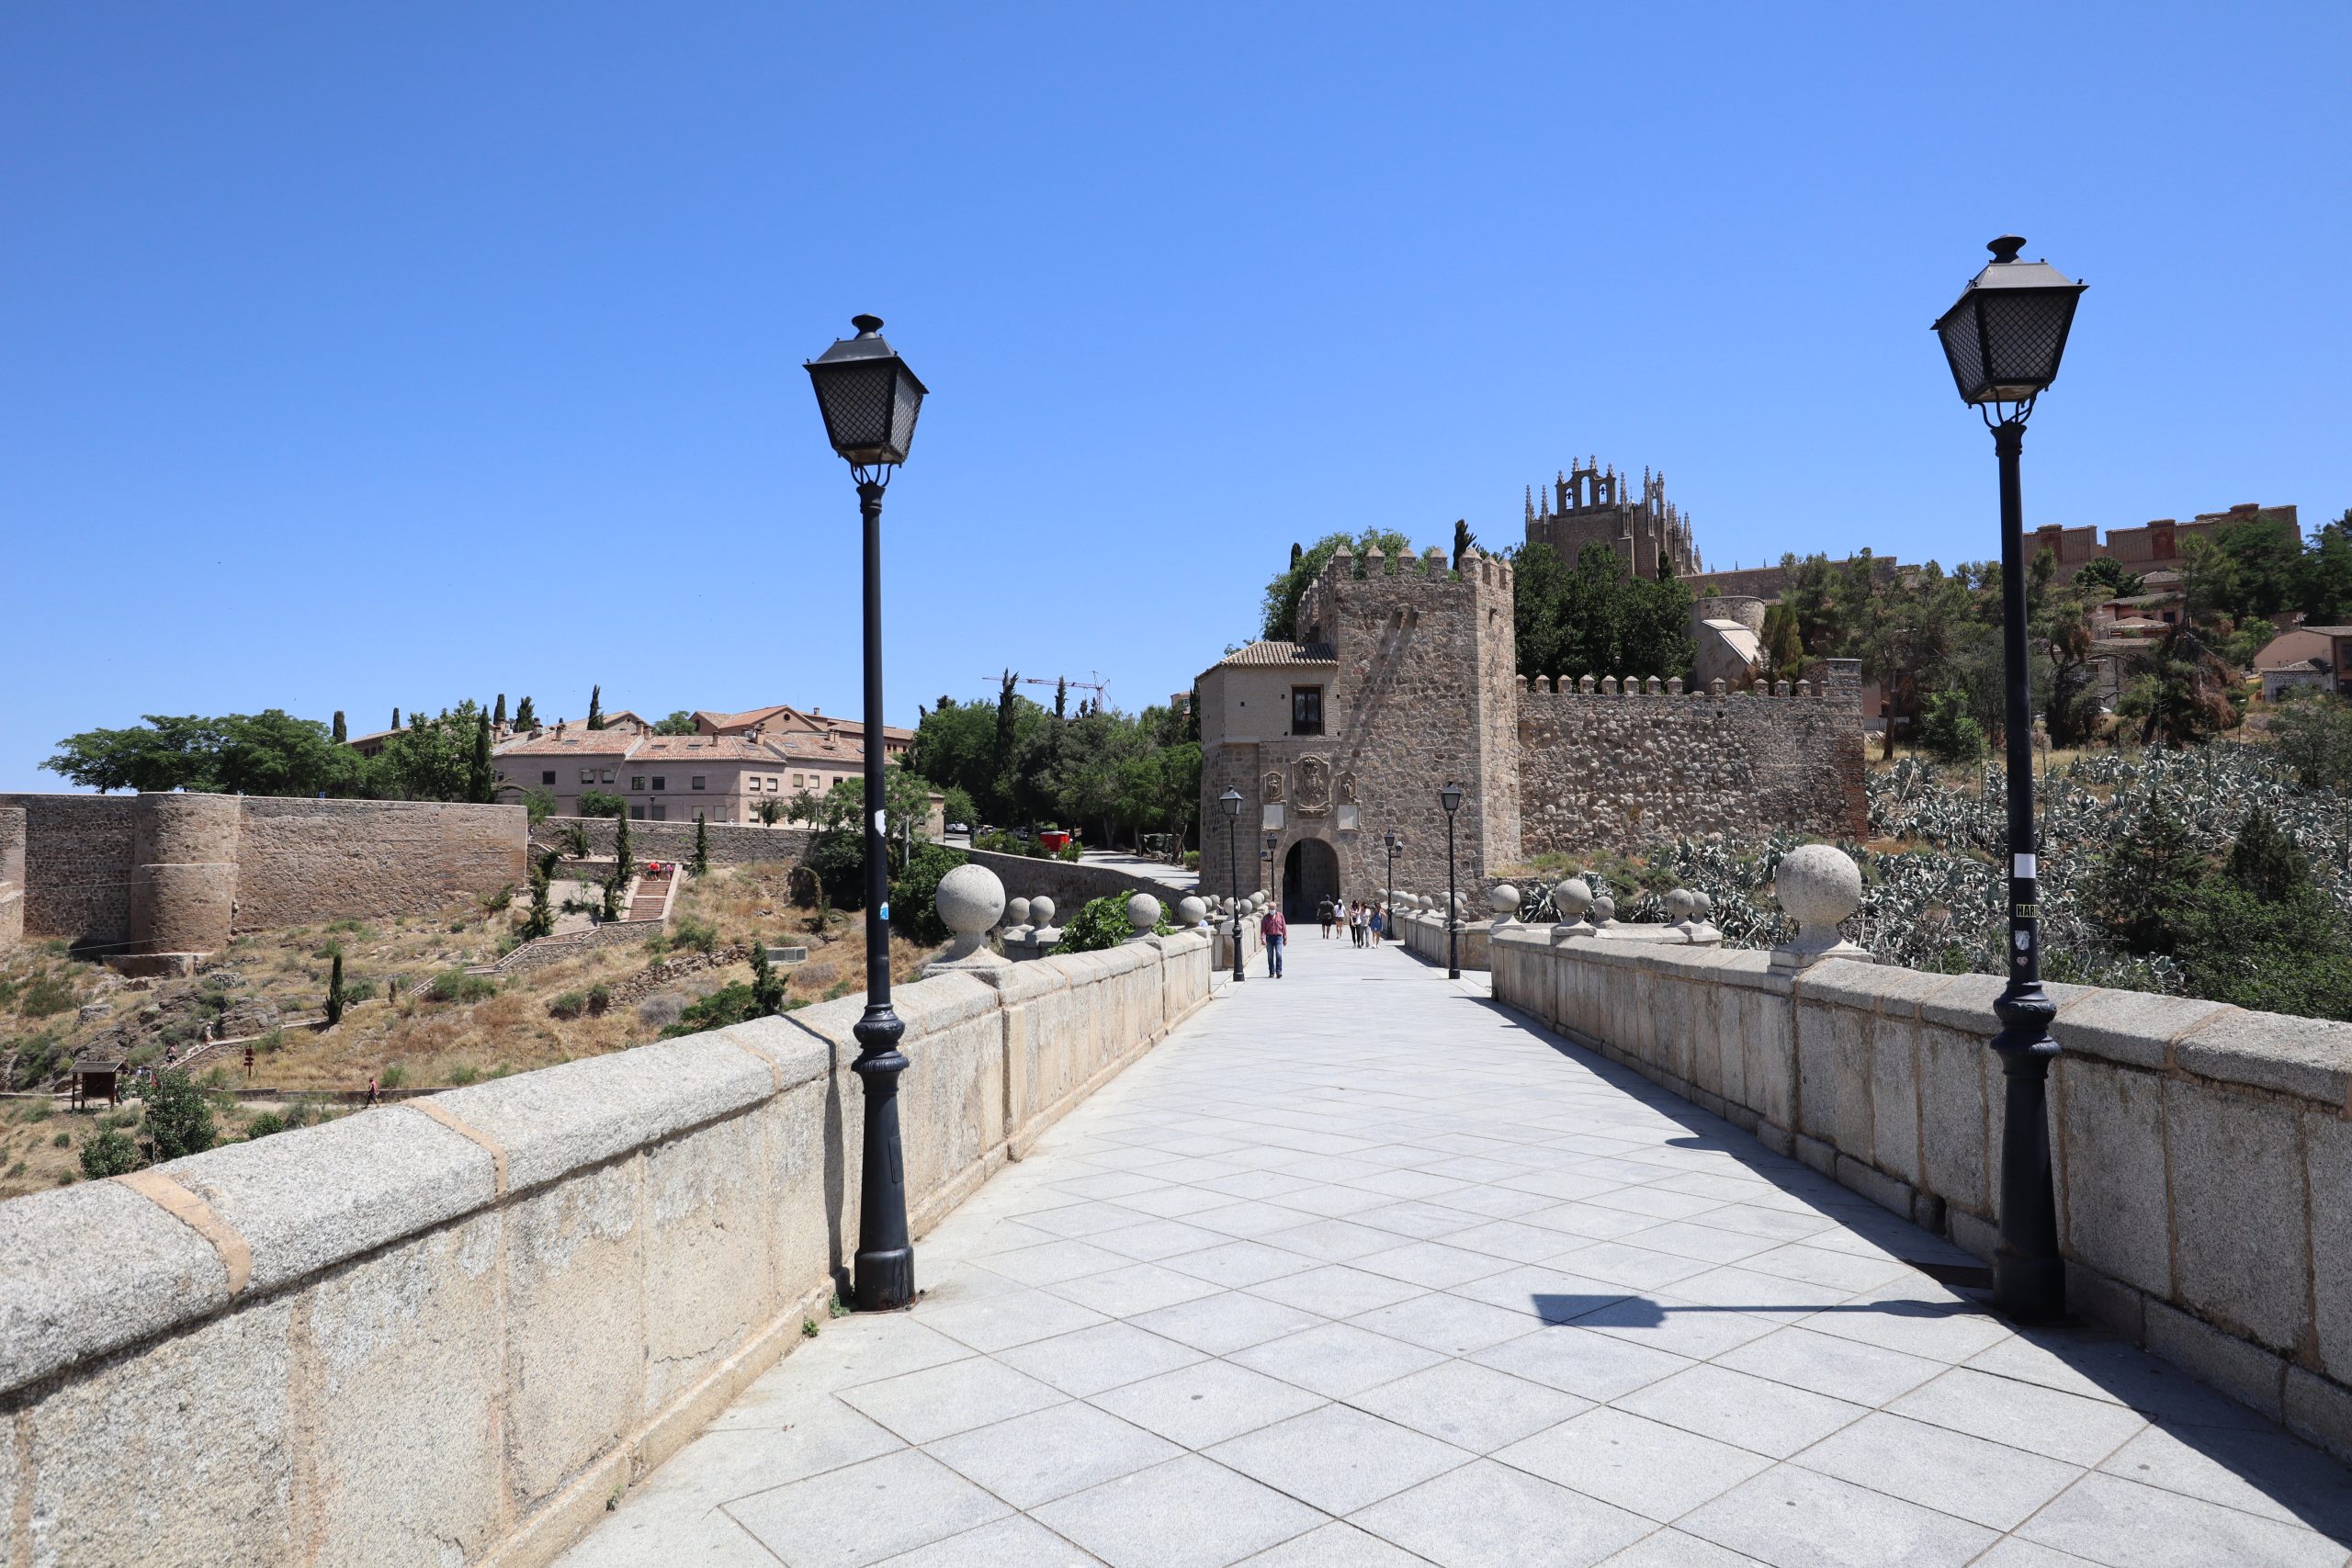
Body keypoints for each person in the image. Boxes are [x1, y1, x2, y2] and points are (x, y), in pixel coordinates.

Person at [1261, 903, 1287, 978]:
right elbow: (1263, 929)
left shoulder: (1280, 916)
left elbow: (1284, 927)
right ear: (1269, 909)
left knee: (1278, 954)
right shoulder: (1265, 918)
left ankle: (1279, 971)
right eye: (1271, 909)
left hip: (1278, 937)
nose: (1272, 910)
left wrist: (1285, 938)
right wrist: (1263, 938)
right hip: (1269, 937)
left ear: (1275, 908)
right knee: (1270, 956)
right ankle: (1271, 971)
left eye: (1273, 909)